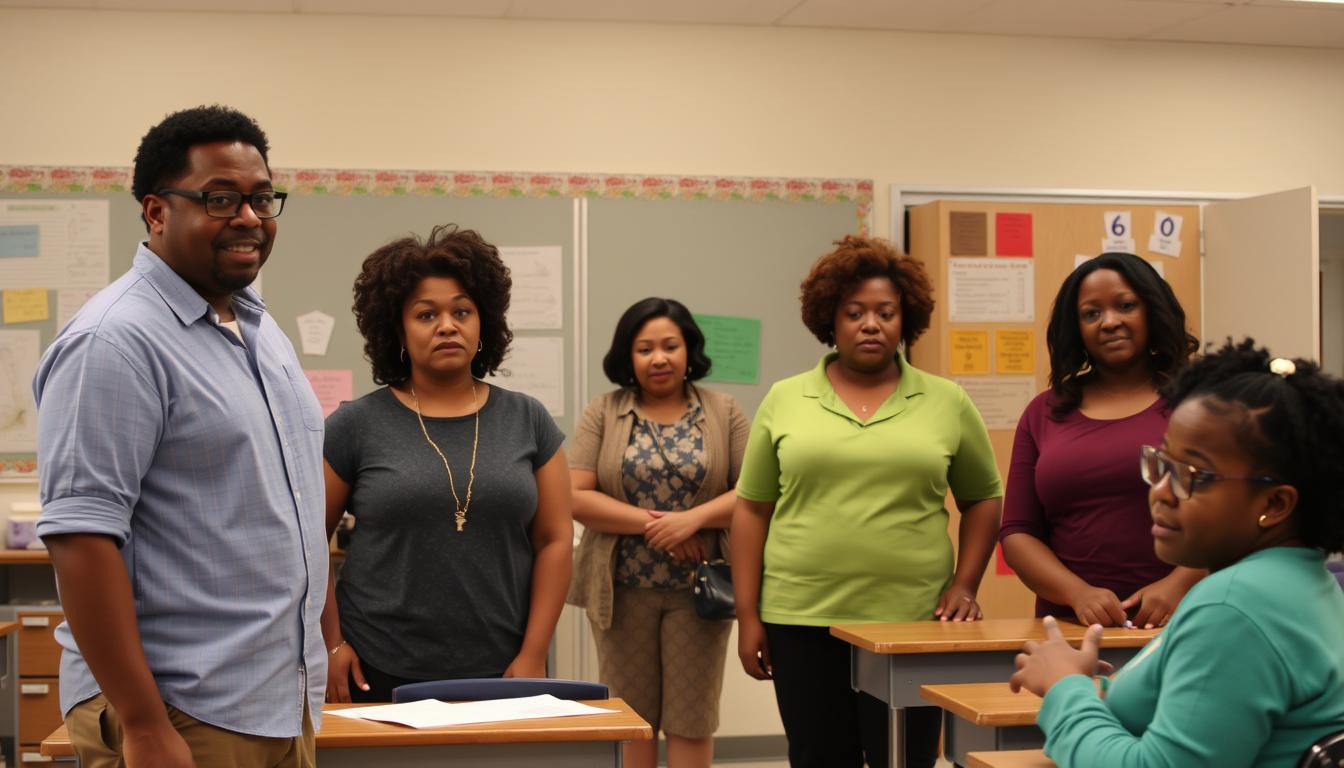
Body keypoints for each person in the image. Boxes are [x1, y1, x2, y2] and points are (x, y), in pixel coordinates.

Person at [34, 105, 324, 767]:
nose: (249, 217)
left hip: (275, 705)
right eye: (220, 199)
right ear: (157, 212)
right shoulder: (115, 341)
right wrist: (140, 722)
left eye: (261, 198)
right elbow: (80, 538)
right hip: (180, 712)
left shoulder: (259, 329)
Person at [732, 235, 1004, 768]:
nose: (871, 324)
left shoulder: (947, 401)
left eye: (886, 312)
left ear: (907, 320)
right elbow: (751, 508)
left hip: (913, 618)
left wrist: (966, 583)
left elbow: (984, 499)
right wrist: (748, 615)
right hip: (802, 617)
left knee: (905, 758)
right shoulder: (786, 398)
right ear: (829, 321)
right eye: (854, 312)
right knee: (817, 757)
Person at [1010, 338, 1344, 768]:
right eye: (1162, 464)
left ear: (1274, 505)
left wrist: (1064, 689)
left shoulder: (1234, 604)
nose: (1161, 491)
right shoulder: (1303, 581)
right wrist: (1091, 687)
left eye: (1193, 476)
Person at [321, 224, 572, 703]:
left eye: (462, 311)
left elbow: (556, 540)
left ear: (484, 323)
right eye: (425, 314)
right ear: (397, 328)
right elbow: (308, 543)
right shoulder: (356, 424)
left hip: (505, 666)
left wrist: (535, 651)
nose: (447, 325)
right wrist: (331, 643)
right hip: (377, 666)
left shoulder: (529, 420)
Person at [568, 297, 749, 768]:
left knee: (691, 718)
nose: (659, 358)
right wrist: (659, 527)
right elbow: (575, 495)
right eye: (645, 348)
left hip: (702, 593)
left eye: (671, 345)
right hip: (621, 591)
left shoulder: (724, 411)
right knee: (633, 720)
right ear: (628, 356)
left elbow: (754, 494)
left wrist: (692, 520)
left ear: (689, 348)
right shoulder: (603, 411)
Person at [1001, 253, 1204, 628]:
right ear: (1075, 328)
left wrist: (1179, 584)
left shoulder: (1200, 403)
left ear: (1152, 311)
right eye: (1091, 314)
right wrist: (1078, 594)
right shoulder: (1043, 412)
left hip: (1185, 621)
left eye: (1126, 306)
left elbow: (1236, 516)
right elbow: (1018, 533)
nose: (1110, 322)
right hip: (1068, 629)